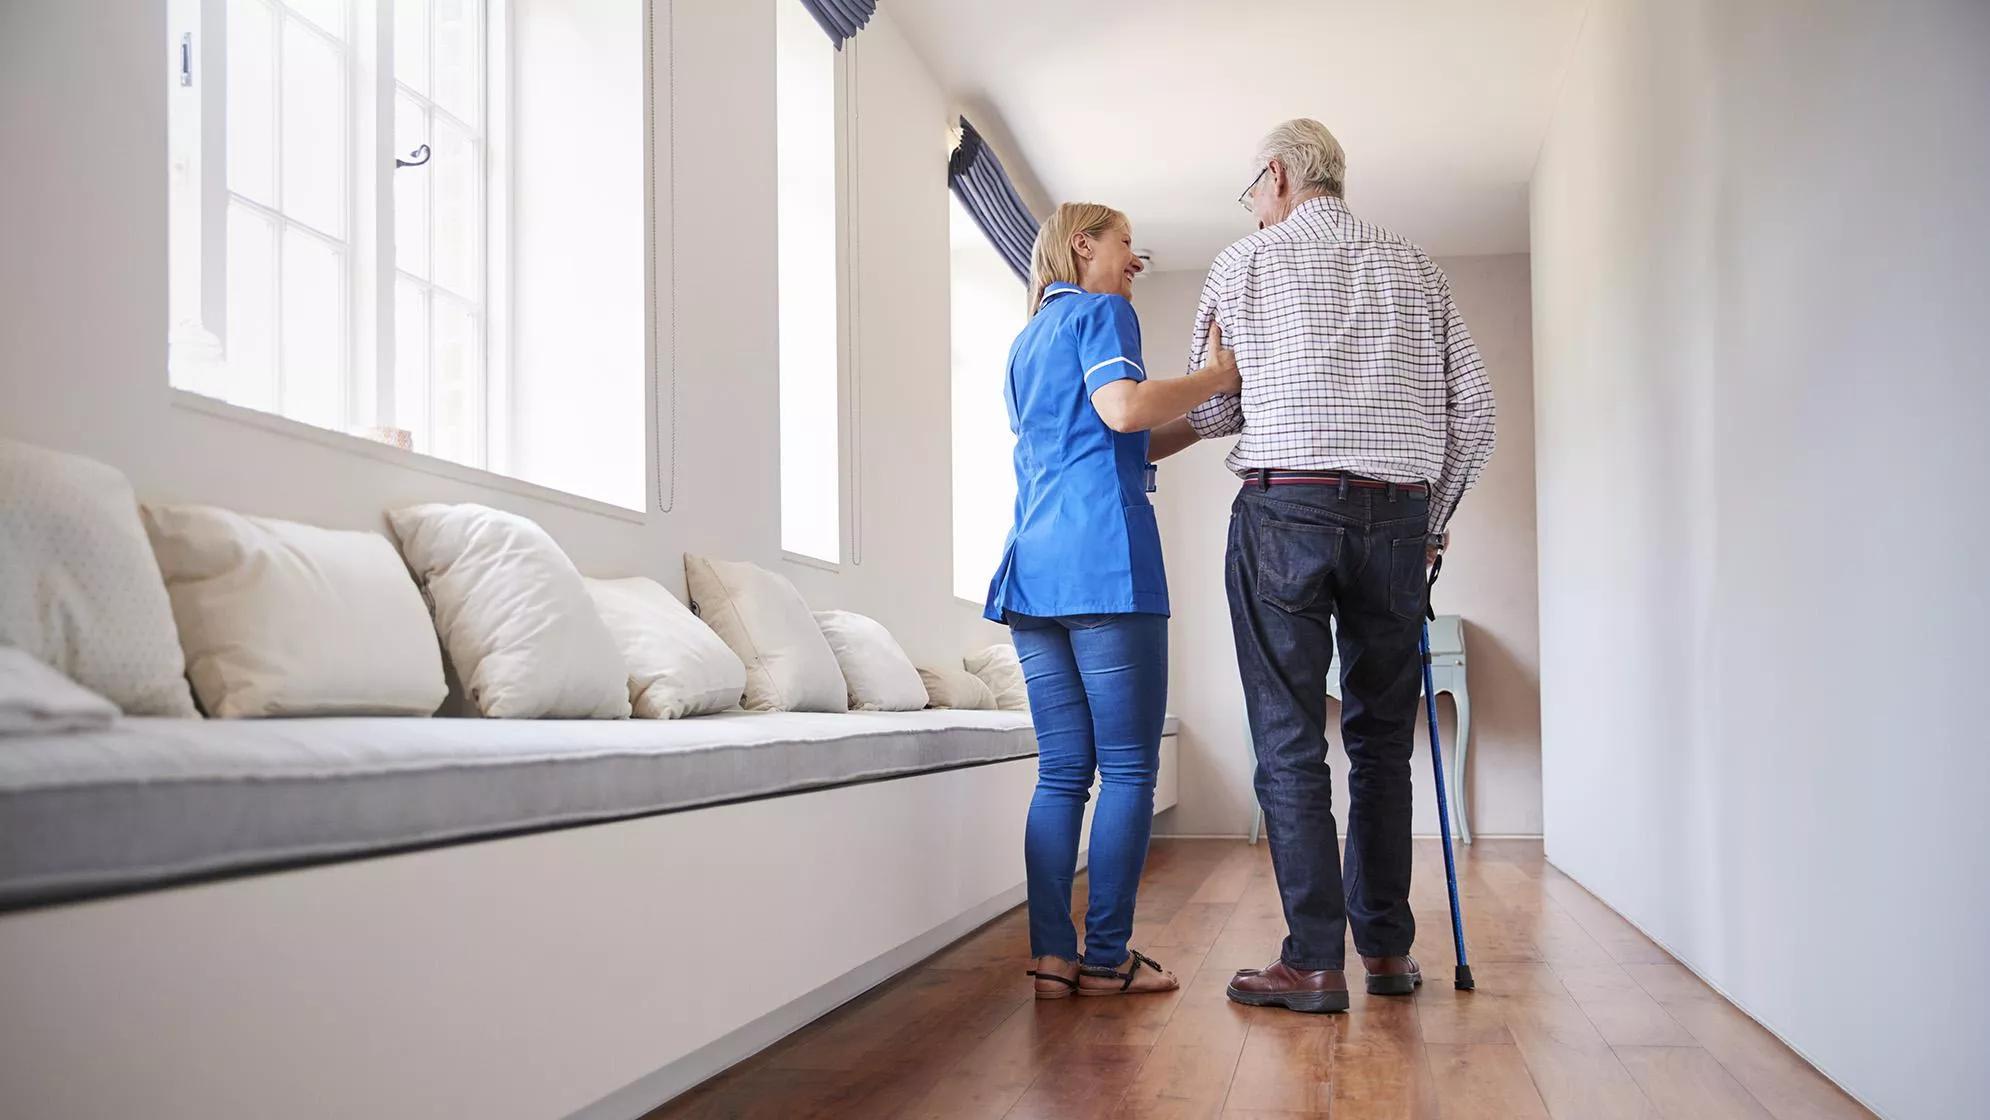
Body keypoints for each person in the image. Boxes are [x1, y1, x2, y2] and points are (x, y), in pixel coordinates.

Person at [1176, 119, 1497, 1013]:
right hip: (1395, 515)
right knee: (1384, 744)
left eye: (1253, 191)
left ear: (1276, 177)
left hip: (1284, 508)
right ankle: (1389, 955)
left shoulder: (1243, 265)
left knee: (1288, 740)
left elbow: (1209, 409)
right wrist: (1428, 524)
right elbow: (1476, 412)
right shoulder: (1419, 267)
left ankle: (1314, 962)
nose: (1255, 207)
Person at [984, 202, 1241, 998]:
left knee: (1062, 772)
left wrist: (1201, 420)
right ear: (1083, 244)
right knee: (1128, 768)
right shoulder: (1104, 314)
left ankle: (1052, 956)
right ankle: (1105, 960)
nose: (1136, 261)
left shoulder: (1026, 343)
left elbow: (1119, 434)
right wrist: (1219, 376)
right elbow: (1124, 408)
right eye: (1127, 244)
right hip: (1105, 564)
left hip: (1033, 569)